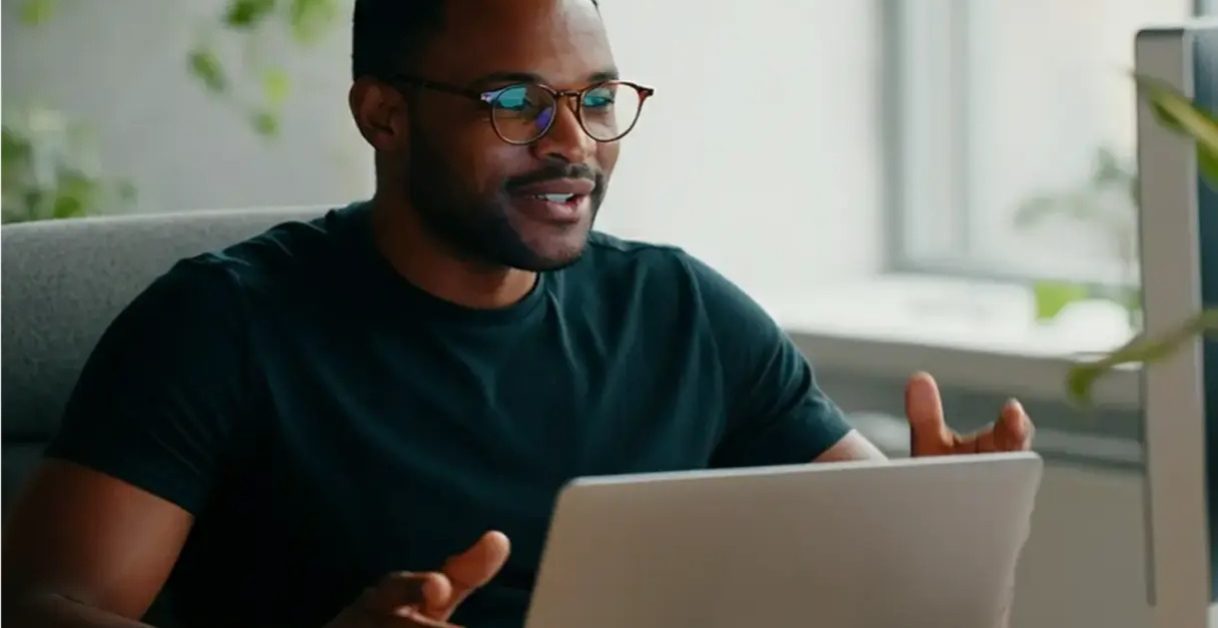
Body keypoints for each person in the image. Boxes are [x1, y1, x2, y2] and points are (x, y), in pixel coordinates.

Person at [1, 1, 1035, 627]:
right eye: (515, 104)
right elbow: (44, 606)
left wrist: (934, 541)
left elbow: (873, 580)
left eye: (595, 98)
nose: (572, 141)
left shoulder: (681, 310)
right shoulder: (219, 325)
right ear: (384, 115)